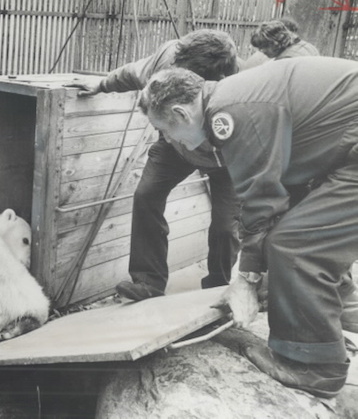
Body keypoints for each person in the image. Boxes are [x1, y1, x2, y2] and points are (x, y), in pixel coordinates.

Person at [137, 56, 358, 398]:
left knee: (295, 246)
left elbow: (261, 202)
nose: (167, 140)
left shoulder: (230, 114)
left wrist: (246, 280)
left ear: (181, 114)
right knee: (304, 236)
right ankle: (340, 316)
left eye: (165, 130)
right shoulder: (226, 98)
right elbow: (285, 190)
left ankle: (315, 367)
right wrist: (262, 276)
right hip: (346, 149)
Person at [67, 29, 241, 301]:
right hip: (176, 143)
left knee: (225, 226)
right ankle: (148, 282)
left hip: (228, 157)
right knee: (146, 195)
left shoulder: (238, 87)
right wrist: (102, 85)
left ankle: (218, 290)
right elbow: (133, 73)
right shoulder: (167, 61)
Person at [250, 19, 319, 60]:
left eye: (265, 46)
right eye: (259, 47)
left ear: (278, 40)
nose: (262, 51)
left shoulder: (285, 59)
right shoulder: (306, 46)